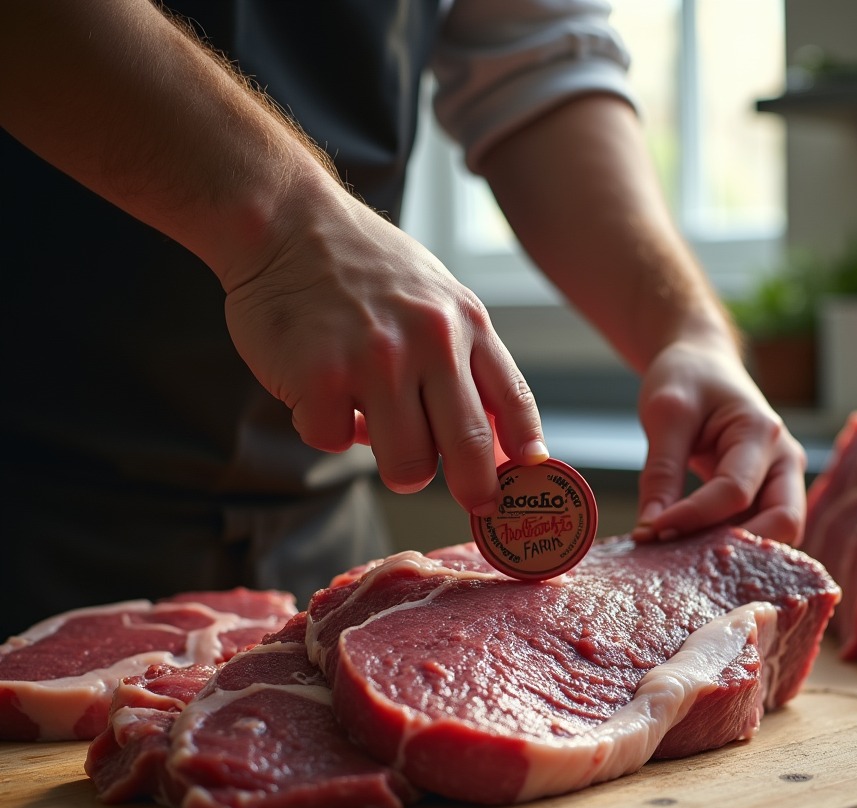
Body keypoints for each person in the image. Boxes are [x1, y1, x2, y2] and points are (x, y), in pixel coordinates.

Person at [0, 0, 806, 642]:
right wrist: (285, 219)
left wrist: (683, 328)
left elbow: (534, 58)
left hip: (319, 528)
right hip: (31, 505)